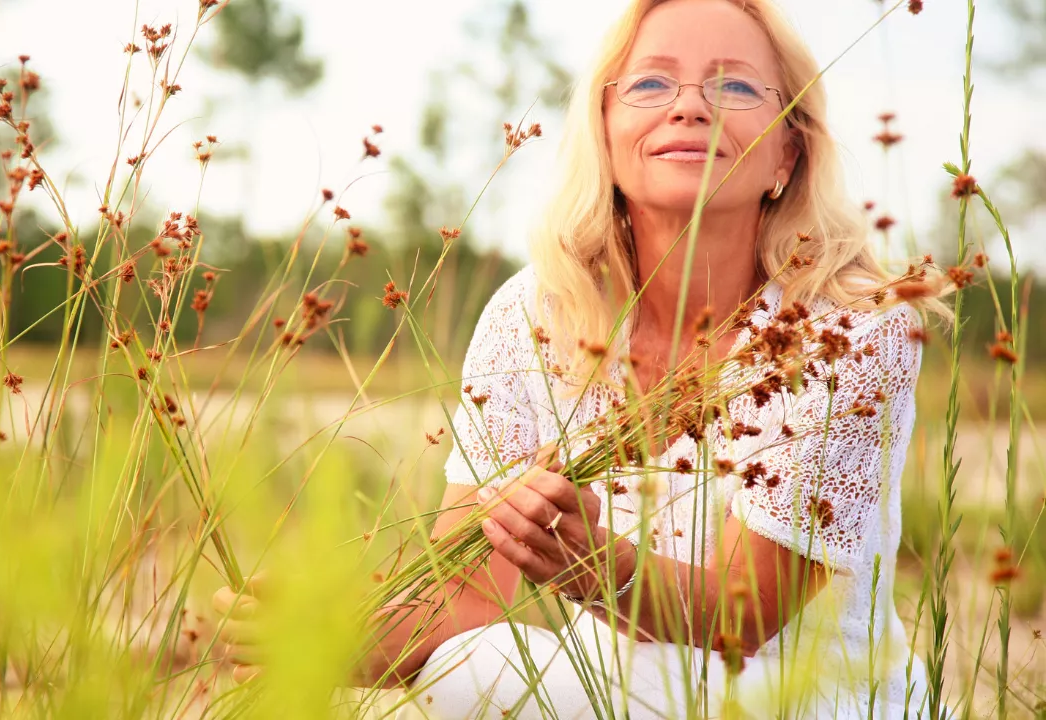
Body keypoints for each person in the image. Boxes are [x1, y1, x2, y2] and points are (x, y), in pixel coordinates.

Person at [213, 0, 942, 716]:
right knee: (462, 669)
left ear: (789, 149)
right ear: (604, 131)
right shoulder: (536, 313)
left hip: (808, 692)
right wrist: (334, 635)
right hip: (610, 690)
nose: (689, 107)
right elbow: (469, 592)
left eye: (735, 86)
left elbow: (746, 617)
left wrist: (595, 564)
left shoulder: (853, 330)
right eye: (651, 84)